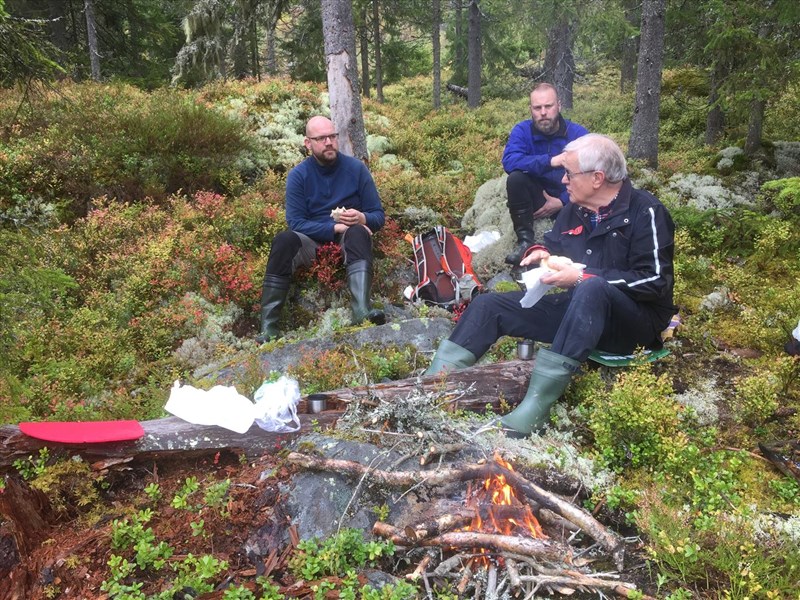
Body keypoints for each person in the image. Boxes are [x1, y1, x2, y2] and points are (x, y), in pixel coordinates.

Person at [425, 134, 676, 436]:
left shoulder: (646, 211)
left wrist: (583, 277)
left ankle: (536, 406)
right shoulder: (574, 209)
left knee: (591, 288)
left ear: (598, 178)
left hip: (633, 326)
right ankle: (432, 384)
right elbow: (555, 246)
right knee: (490, 304)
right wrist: (541, 254)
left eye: (569, 173)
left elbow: (655, 281)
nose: (563, 180)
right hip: (580, 316)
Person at [256, 116, 386, 342]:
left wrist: (362, 217)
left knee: (356, 231)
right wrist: (334, 227)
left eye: (332, 136)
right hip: (312, 243)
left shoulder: (356, 169)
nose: (329, 142)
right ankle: (269, 328)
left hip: (350, 242)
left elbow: (378, 216)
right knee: (283, 240)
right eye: (321, 138)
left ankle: (361, 311)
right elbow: (296, 223)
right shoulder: (299, 175)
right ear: (308, 143)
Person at [502, 83, 589, 265]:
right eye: (537, 107)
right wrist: (550, 161)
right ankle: (525, 241)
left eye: (548, 106)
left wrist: (562, 201)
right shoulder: (522, 131)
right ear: (531, 109)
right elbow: (510, 161)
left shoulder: (578, 134)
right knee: (516, 179)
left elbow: (591, 173)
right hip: (537, 199)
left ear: (559, 105)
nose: (543, 112)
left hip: (572, 201)